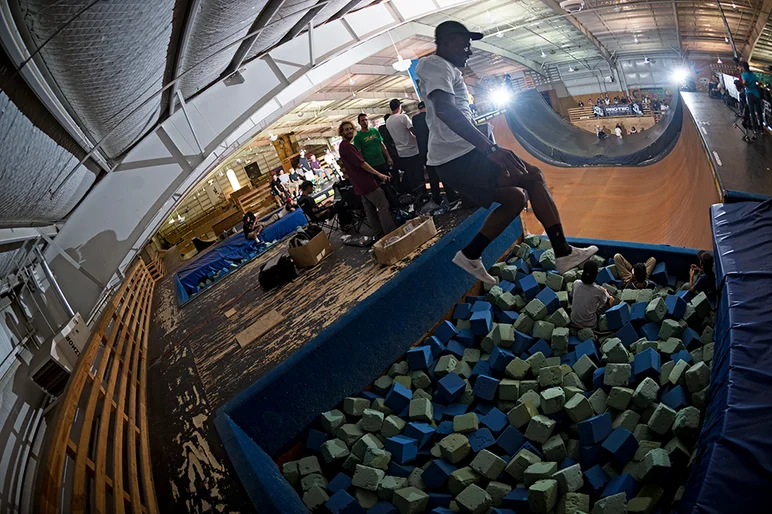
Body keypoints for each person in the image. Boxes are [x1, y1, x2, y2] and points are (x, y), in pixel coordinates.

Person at [415, 21, 597, 284]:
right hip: (460, 157)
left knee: (514, 199)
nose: (469, 51)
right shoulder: (435, 65)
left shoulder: (447, 70)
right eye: (465, 44)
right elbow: (445, 110)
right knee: (533, 177)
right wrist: (489, 148)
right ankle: (563, 251)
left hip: (456, 159)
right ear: (446, 42)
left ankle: (471, 254)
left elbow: (452, 112)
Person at [337, 121, 396, 237]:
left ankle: (378, 234)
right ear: (341, 132)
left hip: (358, 183)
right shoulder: (348, 147)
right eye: (346, 129)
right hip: (365, 181)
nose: (349, 131)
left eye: (350, 128)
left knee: (370, 210)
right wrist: (379, 174)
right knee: (383, 204)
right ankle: (391, 232)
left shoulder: (343, 146)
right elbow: (362, 163)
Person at [413, 101, 460, 208]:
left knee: (432, 177)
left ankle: (437, 199)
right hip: (434, 149)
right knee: (443, 173)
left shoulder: (415, 119)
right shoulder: (431, 117)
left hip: (423, 152)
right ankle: (452, 196)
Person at [385, 99, 425, 194]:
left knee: (411, 176)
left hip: (402, 153)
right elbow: (413, 130)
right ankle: (424, 194)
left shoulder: (388, 121)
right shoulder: (403, 117)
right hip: (413, 150)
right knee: (419, 174)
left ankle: (416, 194)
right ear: (399, 107)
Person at [571, 260, 616, 329]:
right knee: (611, 300)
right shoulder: (599, 290)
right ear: (596, 274)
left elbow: (571, 295)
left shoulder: (576, 283)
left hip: (574, 320)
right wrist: (607, 294)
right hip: (590, 324)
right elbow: (603, 303)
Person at [353, 113, 394, 184]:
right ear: (359, 123)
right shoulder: (358, 137)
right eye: (362, 120)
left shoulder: (374, 131)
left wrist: (388, 157)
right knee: (379, 184)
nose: (365, 122)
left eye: (366, 120)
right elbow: (359, 154)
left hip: (382, 161)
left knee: (388, 180)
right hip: (372, 166)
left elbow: (382, 145)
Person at [741, 61, 764, 138]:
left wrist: (748, 87)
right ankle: (762, 130)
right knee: (759, 112)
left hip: (749, 95)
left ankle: (755, 129)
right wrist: (756, 87)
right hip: (756, 94)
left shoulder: (744, 75)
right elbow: (760, 82)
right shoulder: (753, 74)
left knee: (752, 112)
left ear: (743, 68)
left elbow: (744, 83)